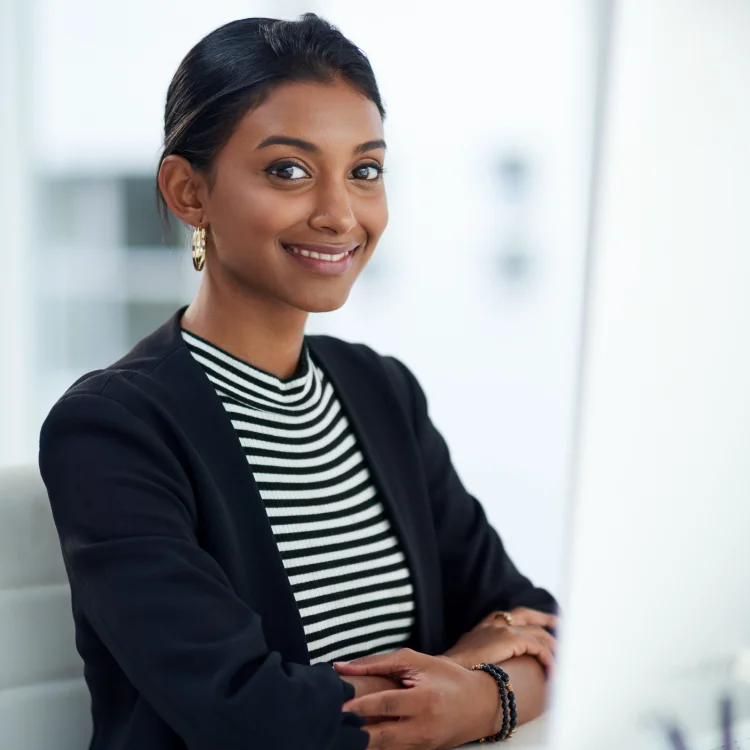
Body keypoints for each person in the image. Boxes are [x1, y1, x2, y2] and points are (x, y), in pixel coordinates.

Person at [38, 14, 558, 750]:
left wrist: (481, 698)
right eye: (289, 170)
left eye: (365, 170)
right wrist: (463, 683)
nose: (340, 213)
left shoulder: (380, 393)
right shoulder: (112, 428)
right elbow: (247, 715)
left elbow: (540, 625)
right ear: (189, 191)